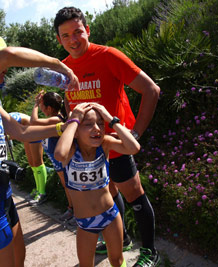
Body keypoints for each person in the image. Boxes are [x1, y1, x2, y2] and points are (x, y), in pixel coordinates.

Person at [0, 31, 78, 266]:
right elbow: (8, 56)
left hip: (2, 194)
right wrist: (59, 64)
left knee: (19, 260)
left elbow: (22, 133)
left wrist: (67, 127)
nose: (5, 67)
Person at [54, 7, 161, 266]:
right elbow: (70, 107)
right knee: (109, 194)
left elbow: (151, 90)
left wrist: (134, 134)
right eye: (66, 36)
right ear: (59, 40)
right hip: (89, 151)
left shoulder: (108, 56)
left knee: (133, 193)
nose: (73, 40)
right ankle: (120, 240)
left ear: (87, 30)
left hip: (114, 144)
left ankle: (150, 252)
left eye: (78, 32)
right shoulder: (64, 70)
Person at [54, 102, 140, 267]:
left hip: (110, 215)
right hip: (85, 223)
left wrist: (111, 120)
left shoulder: (105, 144)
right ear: (76, 130)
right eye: (88, 124)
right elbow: (59, 154)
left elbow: (134, 147)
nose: (97, 128)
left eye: (100, 123)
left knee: (117, 260)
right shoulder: (71, 149)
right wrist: (73, 121)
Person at [30, 90, 73, 220]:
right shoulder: (52, 119)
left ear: (48, 108)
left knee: (69, 186)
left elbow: (33, 121)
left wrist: (35, 105)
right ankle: (72, 209)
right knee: (67, 185)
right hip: (57, 161)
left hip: (62, 161)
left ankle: (75, 211)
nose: (40, 107)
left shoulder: (55, 119)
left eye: (42, 104)